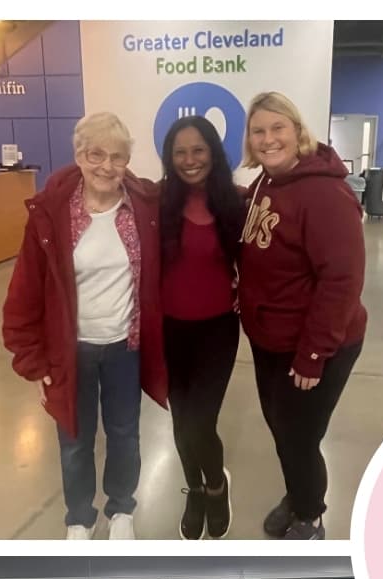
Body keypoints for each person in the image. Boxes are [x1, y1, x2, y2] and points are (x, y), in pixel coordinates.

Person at [2, 111, 166, 541]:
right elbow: (25, 289)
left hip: (124, 347)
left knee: (125, 433)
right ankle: (80, 516)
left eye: (117, 156)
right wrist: (32, 360)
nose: (106, 166)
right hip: (69, 349)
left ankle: (121, 508)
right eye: (96, 154)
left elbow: (196, 196)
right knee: (74, 437)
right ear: (78, 154)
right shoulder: (51, 214)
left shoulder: (143, 206)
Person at [238, 91, 368, 541]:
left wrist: (313, 354)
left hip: (316, 342)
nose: (269, 139)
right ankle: (298, 495)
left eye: (278, 128)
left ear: (297, 131)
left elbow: (342, 281)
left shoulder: (325, 193)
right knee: (282, 428)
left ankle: (310, 516)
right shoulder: (264, 184)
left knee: (298, 436)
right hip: (271, 337)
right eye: (259, 131)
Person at [159, 116, 245, 540]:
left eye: (198, 150)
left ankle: (217, 486)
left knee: (200, 422)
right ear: (168, 158)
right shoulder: (158, 203)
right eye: (180, 152)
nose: (190, 160)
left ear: (213, 152)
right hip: (169, 330)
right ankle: (194, 487)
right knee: (180, 421)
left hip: (216, 330)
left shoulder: (237, 202)